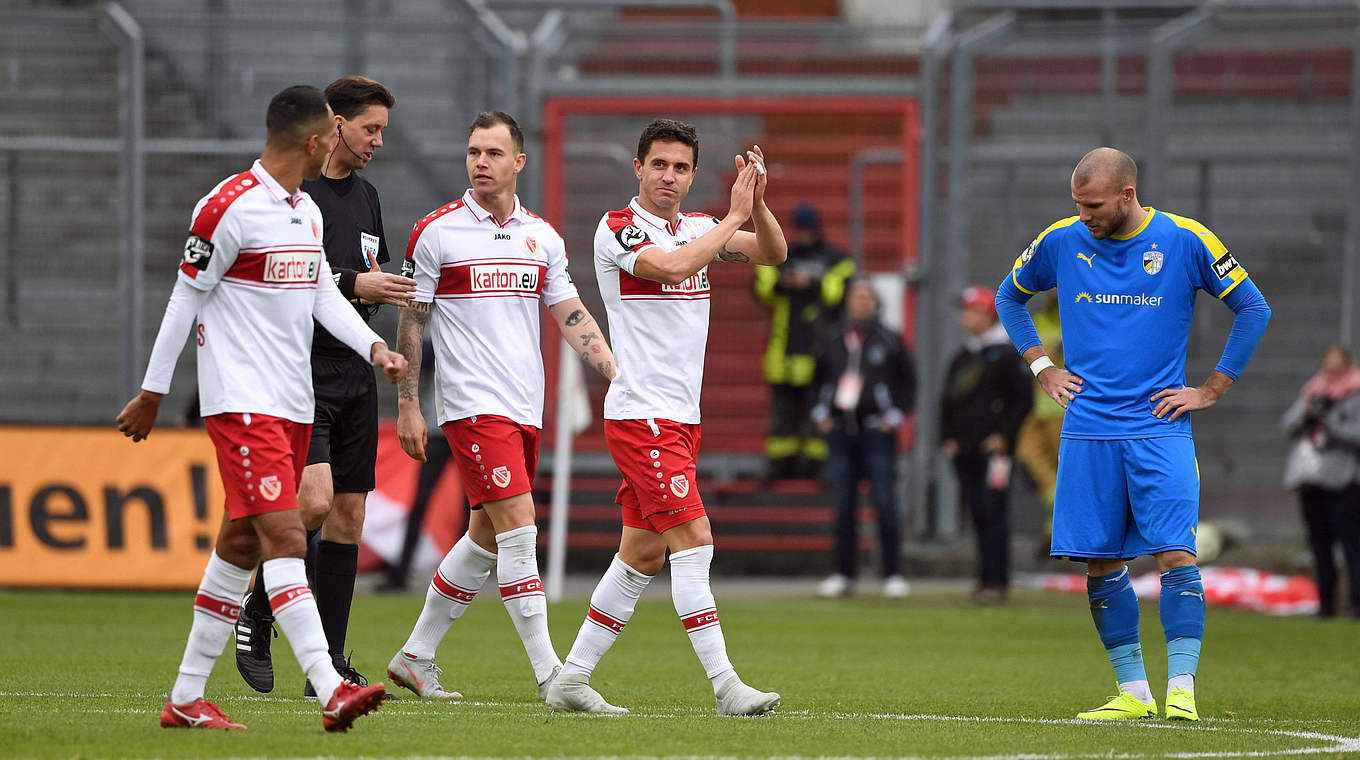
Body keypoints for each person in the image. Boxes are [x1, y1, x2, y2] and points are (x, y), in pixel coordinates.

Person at [115, 84, 404, 731]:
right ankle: (330, 687)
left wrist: (374, 345)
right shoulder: (227, 208)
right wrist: (153, 391)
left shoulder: (304, 213)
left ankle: (187, 699)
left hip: (293, 402)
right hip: (241, 404)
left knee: (240, 544)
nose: (340, 141)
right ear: (313, 140)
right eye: (331, 133)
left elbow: (322, 299)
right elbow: (183, 299)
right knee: (285, 534)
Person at [995, 147, 1271, 722]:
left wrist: (1211, 389)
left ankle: (1182, 691)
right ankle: (1133, 694)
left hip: (1158, 426)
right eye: (1077, 204)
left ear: (1127, 194)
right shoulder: (1061, 240)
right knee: (1098, 562)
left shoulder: (1186, 239)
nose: (1084, 215)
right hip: (1088, 429)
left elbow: (1253, 308)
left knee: (1176, 552)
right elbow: (1009, 296)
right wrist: (1041, 367)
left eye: (1093, 205)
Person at [545, 118, 787, 716]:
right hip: (642, 414)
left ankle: (571, 681)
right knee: (694, 539)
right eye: (659, 165)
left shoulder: (702, 228)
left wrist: (755, 205)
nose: (669, 177)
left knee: (643, 553)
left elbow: (773, 254)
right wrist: (731, 219)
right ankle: (726, 686)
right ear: (638, 168)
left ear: (693, 175)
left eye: (681, 168)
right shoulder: (619, 228)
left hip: (682, 416)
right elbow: (672, 268)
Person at [385, 111, 616, 701]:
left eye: (492, 152)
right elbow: (413, 321)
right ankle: (554, 676)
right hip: (471, 406)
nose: (480, 162)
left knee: (486, 536)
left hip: (524, 405)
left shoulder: (542, 237)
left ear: (519, 161)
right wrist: (410, 404)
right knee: (519, 531)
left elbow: (569, 311)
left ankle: (416, 656)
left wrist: (613, 368)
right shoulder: (436, 232)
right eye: (472, 152)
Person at [233, 75, 415, 698]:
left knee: (349, 514)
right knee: (310, 502)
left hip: (354, 373)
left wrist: (379, 313)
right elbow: (294, 283)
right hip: (298, 368)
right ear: (333, 123)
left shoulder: (366, 198)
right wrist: (353, 284)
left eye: (384, 131)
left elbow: (364, 276)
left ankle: (329, 666)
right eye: (370, 128)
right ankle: (258, 610)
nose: (378, 141)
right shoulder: (291, 193)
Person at [807, 278, 915, 599]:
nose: (861, 303)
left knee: (885, 502)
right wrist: (819, 413)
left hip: (875, 431)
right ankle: (843, 573)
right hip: (840, 431)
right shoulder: (832, 338)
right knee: (843, 505)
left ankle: (893, 574)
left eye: (867, 297)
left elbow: (908, 383)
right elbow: (816, 380)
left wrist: (895, 415)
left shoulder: (889, 339)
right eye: (856, 297)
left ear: (875, 303)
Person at [940, 285, 1032, 603]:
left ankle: (997, 581)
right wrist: (948, 437)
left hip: (995, 453)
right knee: (977, 512)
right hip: (964, 449)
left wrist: (1004, 436)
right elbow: (948, 401)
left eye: (970, 311)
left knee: (994, 511)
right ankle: (983, 580)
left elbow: (1022, 402)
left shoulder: (1006, 355)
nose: (965, 318)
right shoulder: (964, 355)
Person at [754, 203, 855, 480]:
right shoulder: (782, 255)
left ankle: (816, 466)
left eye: (807, 230)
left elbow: (839, 293)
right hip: (782, 350)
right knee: (782, 412)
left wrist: (810, 284)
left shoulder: (834, 259)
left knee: (817, 410)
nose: (802, 236)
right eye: (799, 230)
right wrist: (784, 283)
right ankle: (780, 465)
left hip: (819, 352)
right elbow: (762, 287)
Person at [1281, 345, 1360, 618]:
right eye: (1329, 368)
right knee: (1319, 545)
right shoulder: (1313, 390)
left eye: (1338, 369)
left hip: (1344, 481)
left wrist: (1331, 424)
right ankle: (1325, 605)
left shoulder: (1356, 393)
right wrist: (1307, 414)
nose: (1333, 375)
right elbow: (1286, 425)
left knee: (1352, 546)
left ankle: (1355, 605)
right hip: (1311, 480)